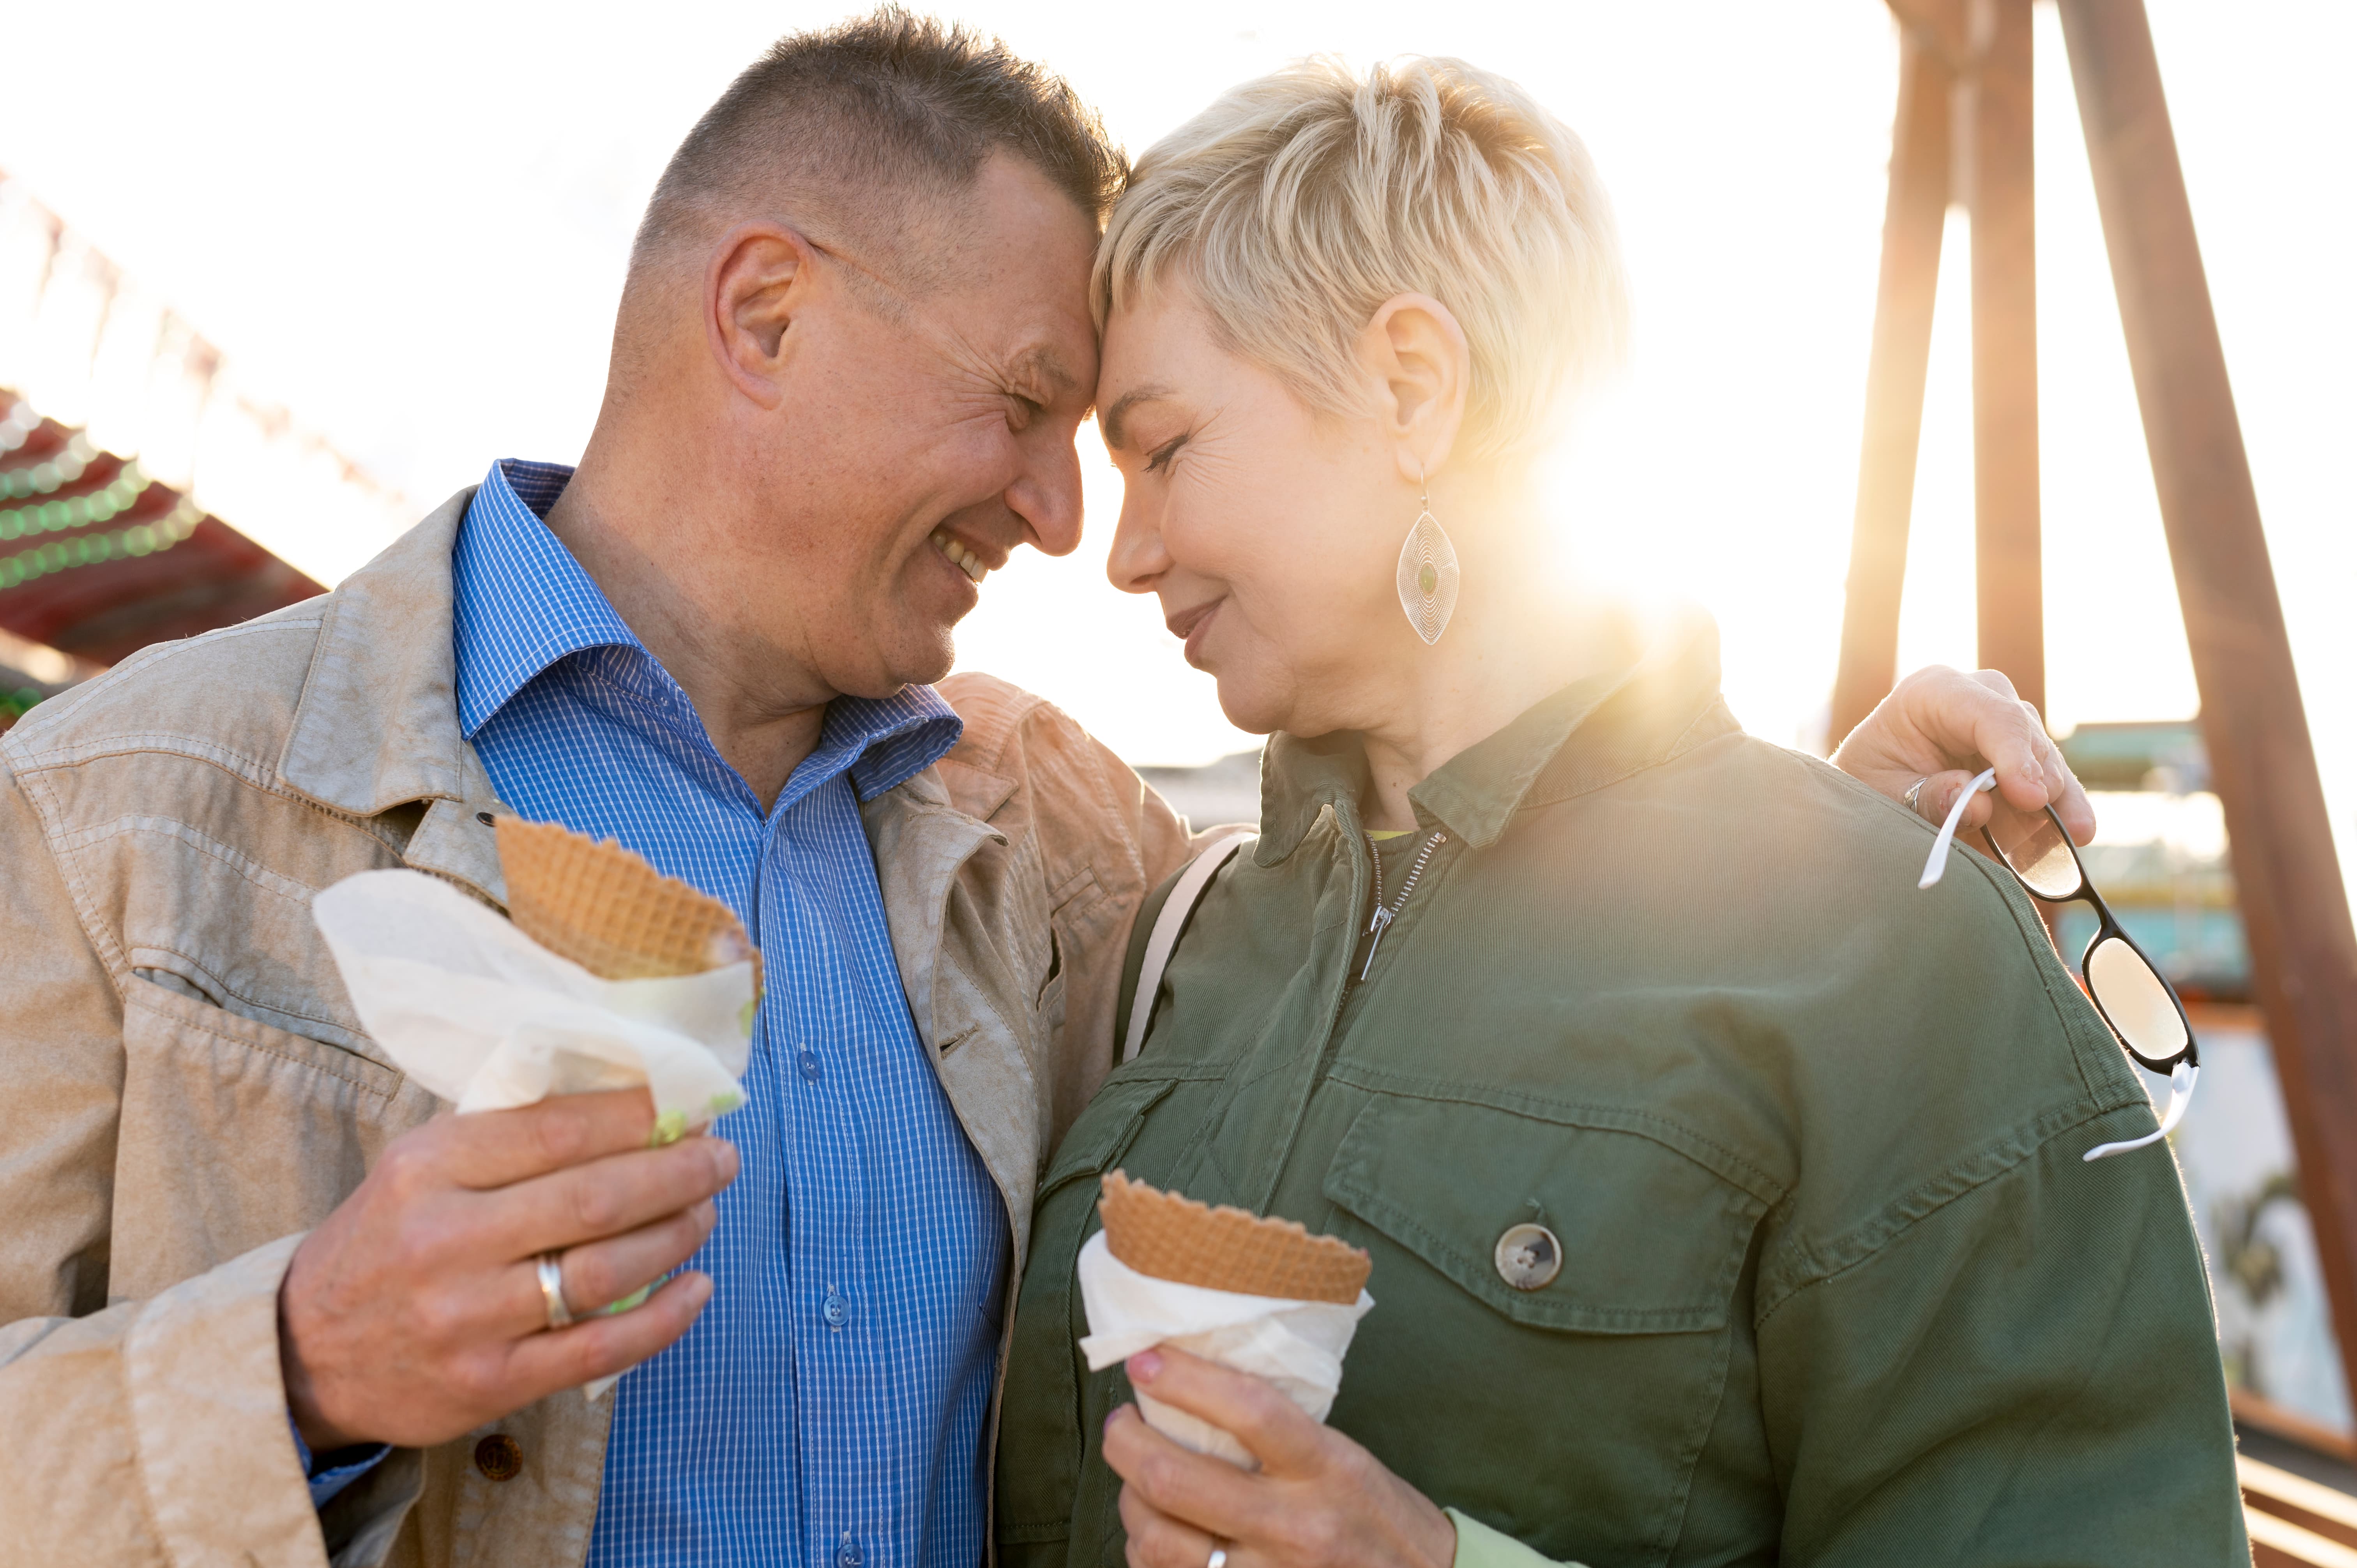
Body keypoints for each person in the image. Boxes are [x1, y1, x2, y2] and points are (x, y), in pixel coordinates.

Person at [0, 12, 2099, 1567]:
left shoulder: (1061, 836)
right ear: (763, 308)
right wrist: (292, 1360)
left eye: (1121, 435)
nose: (1061, 509)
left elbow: (1430, 990)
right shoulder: (125, 803)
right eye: (1025, 406)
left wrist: (1771, 841)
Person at [992, 55, 2244, 1568]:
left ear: (1410, 385)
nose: (1121, 551)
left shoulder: (1892, 948)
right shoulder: (1174, 949)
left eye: (1166, 446)